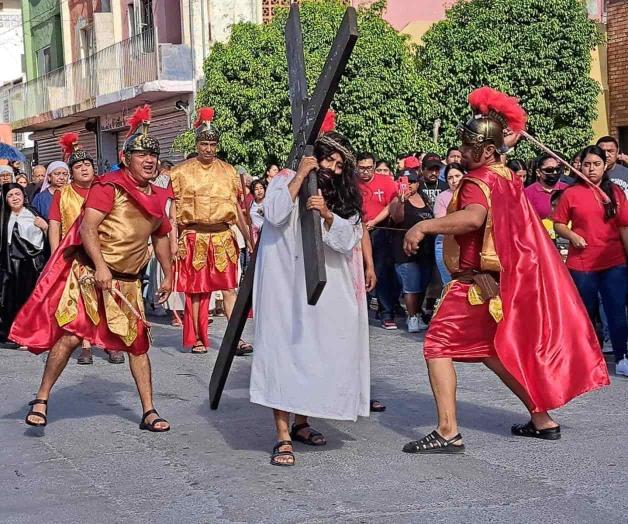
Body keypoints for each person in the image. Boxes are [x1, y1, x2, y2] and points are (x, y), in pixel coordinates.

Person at [402, 87, 609, 453]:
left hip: (474, 284)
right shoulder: (505, 176)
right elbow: (500, 165)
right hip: (495, 281)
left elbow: (473, 218)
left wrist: (423, 226)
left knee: (436, 346)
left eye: (469, 148)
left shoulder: (476, 181)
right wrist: (503, 137)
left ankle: (448, 430)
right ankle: (543, 419)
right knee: (489, 352)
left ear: (486, 150)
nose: (462, 153)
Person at [10, 104, 174, 431]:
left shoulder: (158, 196)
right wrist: (100, 266)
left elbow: (161, 237)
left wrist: (169, 274)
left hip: (126, 282)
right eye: (141, 154)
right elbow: (86, 228)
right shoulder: (109, 186)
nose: (149, 160)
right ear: (126, 159)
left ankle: (149, 411)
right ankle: (42, 397)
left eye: (153, 156)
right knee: (71, 337)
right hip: (90, 275)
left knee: (138, 344)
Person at [250, 129, 369, 466]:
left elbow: (350, 241)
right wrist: (301, 176)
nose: (331, 167)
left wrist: (329, 215)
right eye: (327, 159)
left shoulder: (344, 199)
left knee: (317, 354)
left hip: (328, 290)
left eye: (338, 164)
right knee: (283, 354)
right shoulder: (286, 178)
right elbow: (272, 214)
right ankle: (282, 435)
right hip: (284, 288)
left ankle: (303, 423)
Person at [169, 107, 252, 354]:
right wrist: (173, 242)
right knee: (196, 291)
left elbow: (236, 208)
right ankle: (196, 338)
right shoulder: (180, 172)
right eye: (204, 143)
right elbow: (173, 211)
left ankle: (235, 338)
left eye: (212, 144)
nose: (208, 148)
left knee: (229, 289)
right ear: (197, 144)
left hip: (222, 237)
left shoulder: (229, 171)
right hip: (193, 237)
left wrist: (250, 238)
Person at [553, 145, 628, 376]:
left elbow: (624, 227)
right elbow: (558, 223)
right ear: (579, 166)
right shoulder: (570, 193)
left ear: (605, 166)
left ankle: (622, 356)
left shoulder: (615, 192)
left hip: (614, 262)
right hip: (582, 264)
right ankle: (587, 358)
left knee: (616, 311)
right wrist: (573, 236)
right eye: (587, 164)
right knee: (585, 312)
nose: (591, 169)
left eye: (596, 164)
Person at [0, 184, 48, 346]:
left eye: (17, 194)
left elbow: (47, 238)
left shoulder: (33, 213)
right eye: (10, 195)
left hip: (33, 266)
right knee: (12, 302)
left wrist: (45, 227)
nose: (15, 197)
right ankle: (15, 335)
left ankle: (32, 336)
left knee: (33, 302)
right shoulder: (3, 217)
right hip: (10, 267)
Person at [358, 152, 399, 330]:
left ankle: (386, 313)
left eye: (368, 168)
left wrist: (374, 221)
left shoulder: (386, 182)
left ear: (374, 167)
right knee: (358, 271)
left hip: (380, 230)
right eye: (361, 168)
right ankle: (360, 312)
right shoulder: (351, 181)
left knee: (381, 271)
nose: (365, 172)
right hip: (356, 229)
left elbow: (392, 203)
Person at [389, 170, 434, 332]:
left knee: (422, 284)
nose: (409, 184)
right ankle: (412, 316)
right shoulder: (396, 200)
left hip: (425, 249)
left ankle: (417, 315)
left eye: (413, 181)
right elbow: (397, 218)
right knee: (410, 285)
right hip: (405, 251)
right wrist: (401, 201)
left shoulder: (425, 198)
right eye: (406, 181)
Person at [433, 163, 465, 284]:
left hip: (467, 244)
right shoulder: (442, 197)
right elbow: (441, 224)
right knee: (449, 284)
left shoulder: (472, 194)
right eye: (450, 178)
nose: (454, 180)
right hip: (445, 244)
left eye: (457, 176)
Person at [523, 154, 569, 219]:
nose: (555, 172)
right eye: (549, 170)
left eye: (557, 169)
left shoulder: (567, 190)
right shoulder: (527, 193)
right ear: (538, 172)